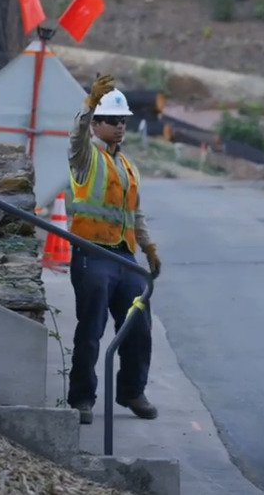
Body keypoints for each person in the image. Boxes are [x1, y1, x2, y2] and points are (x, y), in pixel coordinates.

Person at [65, 74, 163, 425]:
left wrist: (148, 247)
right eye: (112, 121)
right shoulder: (85, 157)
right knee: (91, 330)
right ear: (97, 124)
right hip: (91, 252)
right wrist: (89, 104)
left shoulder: (127, 165)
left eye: (123, 121)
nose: (120, 127)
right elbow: (75, 137)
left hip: (124, 256)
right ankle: (81, 399)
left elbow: (134, 211)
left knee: (138, 326)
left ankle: (132, 391)